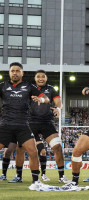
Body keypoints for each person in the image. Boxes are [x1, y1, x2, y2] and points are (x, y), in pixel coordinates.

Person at [6, 70, 69, 183]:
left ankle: (61, 176)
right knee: (20, 148)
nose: (41, 78)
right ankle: (18, 176)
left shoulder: (50, 89)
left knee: (58, 147)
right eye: (38, 76)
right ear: (35, 78)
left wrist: (58, 108)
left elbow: (58, 101)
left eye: (43, 76)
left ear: (46, 78)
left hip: (46, 123)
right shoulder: (29, 88)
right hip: (30, 123)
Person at [0, 62, 50, 190]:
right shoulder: (3, 86)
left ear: (22, 73)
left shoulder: (28, 86)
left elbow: (46, 98)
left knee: (33, 152)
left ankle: (36, 181)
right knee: (7, 151)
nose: (15, 73)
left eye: (17, 71)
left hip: (23, 125)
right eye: (12, 71)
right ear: (9, 73)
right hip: (5, 125)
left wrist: (41, 100)